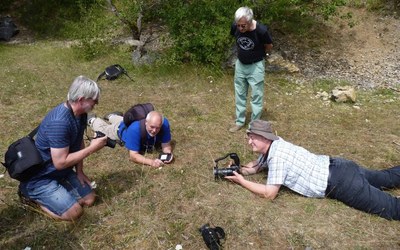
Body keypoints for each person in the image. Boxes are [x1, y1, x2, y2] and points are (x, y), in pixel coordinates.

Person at [226, 119, 400, 220]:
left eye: (253, 138)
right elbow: (256, 167)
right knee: (386, 178)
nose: (249, 142)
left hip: (341, 182)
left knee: (391, 209)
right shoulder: (276, 144)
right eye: (249, 138)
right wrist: (239, 170)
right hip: (341, 166)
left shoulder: (277, 157)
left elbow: (269, 194)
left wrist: (242, 182)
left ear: (265, 138)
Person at [18, 76, 107, 221]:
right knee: (74, 213)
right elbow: (60, 162)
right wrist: (93, 148)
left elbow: (78, 142)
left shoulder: (80, 114)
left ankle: (61, 195)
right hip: (41, 178)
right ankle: (32, 196)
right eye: (94, 100)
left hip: (60, 172)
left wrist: (79, 171)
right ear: (81, 100)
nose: (96, 104)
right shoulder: (60, 123)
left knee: (90, 199)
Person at [229, 6, 273, 133]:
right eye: (238, 25)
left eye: (243, 26)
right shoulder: (236, 26)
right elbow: (235, 37)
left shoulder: (261, 31)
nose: (240, 28)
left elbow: (269, 45)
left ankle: (254, 125)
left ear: (250, 21)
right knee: (240, 93)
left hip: (256, 66)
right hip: (241, 64)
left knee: (256, 96)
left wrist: (259, 54)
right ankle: (239, 121)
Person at [88, 110, 173, 168]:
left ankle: (111, 116)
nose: (154, 130)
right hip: (120, 130)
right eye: (152, 127)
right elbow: (133, 156)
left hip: (128, 124)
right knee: (105, 129)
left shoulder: (164, 123)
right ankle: (92, 120)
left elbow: (166, 145)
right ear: (146, 122)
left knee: (122, 120)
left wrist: (168, 155)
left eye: (157, 128)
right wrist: (151, 162)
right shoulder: (135, 130)